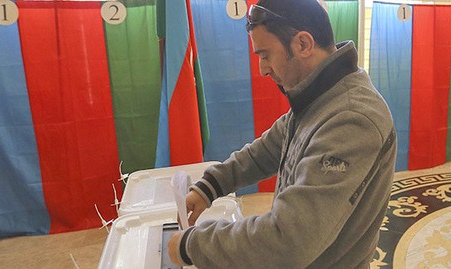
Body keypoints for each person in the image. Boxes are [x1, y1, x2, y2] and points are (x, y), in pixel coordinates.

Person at [168, 0, 396, 268]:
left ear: (303, 44)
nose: (263, 69)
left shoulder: (351, 118)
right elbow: (264, 151)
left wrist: (190, 245)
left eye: (265, 55)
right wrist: (210, 186)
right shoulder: (319, 97)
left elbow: (289, 241)